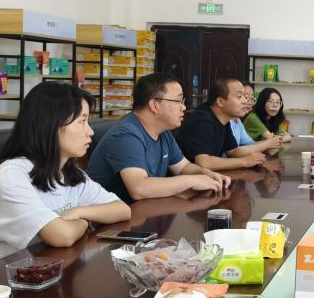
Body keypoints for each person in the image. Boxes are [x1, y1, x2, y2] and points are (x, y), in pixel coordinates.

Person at [0, 82, 131, 273]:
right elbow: (63, 236)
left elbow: (122, 210)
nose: (90, 131)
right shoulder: (11, 177)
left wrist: (78, 212)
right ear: (51, 125)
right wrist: (85, 220)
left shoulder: (70, 174)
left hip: (33, 274)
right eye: (82, 121)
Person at [87, 73, 230, 204]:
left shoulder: (163, 133)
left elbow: (184, 168)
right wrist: (192, 181)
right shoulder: (126, 135)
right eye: (178, 101)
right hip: (112, 220)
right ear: (154, 105)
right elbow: (139, 189)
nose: (184, 107)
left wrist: (207, 175)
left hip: (143, 211)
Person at [175, 78, 268, 171]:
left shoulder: (223, 120)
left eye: (245, 96)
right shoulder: (202, 121)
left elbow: (233, 151)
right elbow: (204, 162)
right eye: (239, 96)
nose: (245, 101)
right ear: (220, 101)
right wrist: (244, 161)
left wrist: (255, 157)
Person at [228, 84, 284, 154]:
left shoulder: (237, 121)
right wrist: (269, 143)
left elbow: (249, 144)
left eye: (252, 98)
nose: (249, 102)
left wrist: (270, 142)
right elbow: (232, 153)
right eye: (244, 97)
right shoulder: (226, 122)